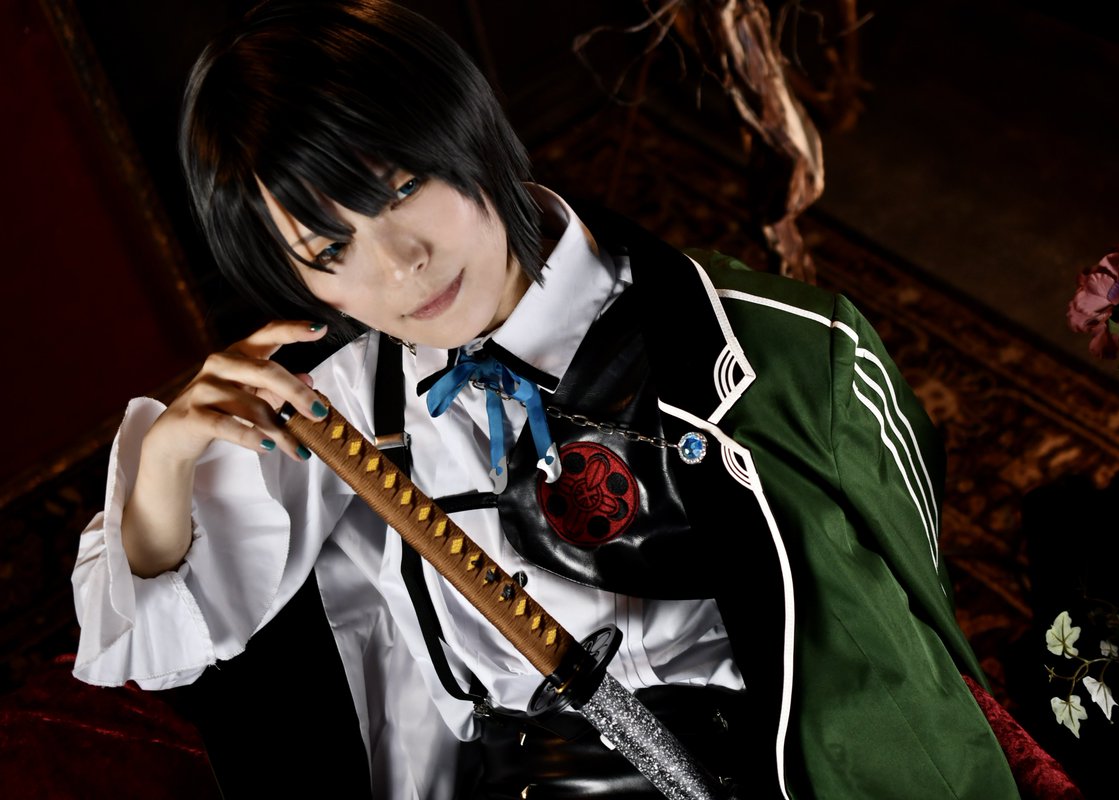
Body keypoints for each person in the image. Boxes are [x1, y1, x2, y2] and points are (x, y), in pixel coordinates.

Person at [71, 1, 1021, 797]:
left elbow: (907, 602)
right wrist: (165, 462)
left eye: (405, 189)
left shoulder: (778, 345)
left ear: (466, 129)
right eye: (330, 252)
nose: (399, 266)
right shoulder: (339, 411)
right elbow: (160, 638)